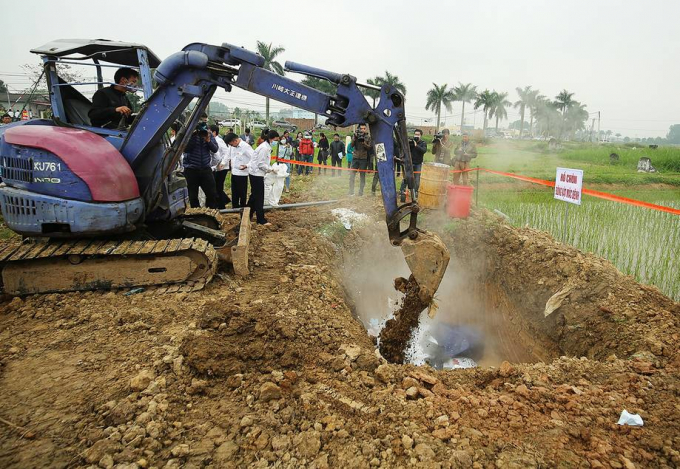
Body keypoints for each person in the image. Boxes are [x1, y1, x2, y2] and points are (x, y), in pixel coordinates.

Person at [183, 114, 219, 208]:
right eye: (201, 122)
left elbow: (215, 149)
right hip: (191, 169)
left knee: (212, 193)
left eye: (205, 122)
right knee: (193, 195)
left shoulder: (208, 133)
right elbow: (186, 149)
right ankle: (196, 214)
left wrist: (208, 140)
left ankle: (211, 213)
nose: (204, 124)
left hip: (206, 168)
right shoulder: (188, 133)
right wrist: (193, 135)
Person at [248, 130, 280, 225]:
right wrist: (271, 169)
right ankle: (260, 220)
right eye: (276, 140)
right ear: (271, 138)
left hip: (256, 173)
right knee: (259, 198)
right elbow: (261, 163)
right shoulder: (264, 148)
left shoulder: (266, 147)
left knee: (254, 196)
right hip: (256, 174)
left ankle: (246, 214)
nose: (276, 142)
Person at [224, 132, 254, 208]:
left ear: (235, 141)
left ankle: (243, 207)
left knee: (242, 192)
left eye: (231, 144)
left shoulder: (245, 146)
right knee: (234, 191)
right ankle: (235, 206)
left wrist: (247, 165)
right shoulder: (232, 147)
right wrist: (223, 163)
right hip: (234, 172)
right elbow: (228, 154)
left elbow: (254, 158)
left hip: (242, 173)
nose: (231, 146)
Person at [400, 129, 427, 201]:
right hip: (410, 163)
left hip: (418, 164)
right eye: (415, 134)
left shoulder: (423, 143)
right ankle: (402, 191)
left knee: (417, 179)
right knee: (406, 177)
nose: (416, 136)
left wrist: (416, 145)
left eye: (418, 134)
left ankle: (415, 192)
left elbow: (423, 151)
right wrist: (409, 143)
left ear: (421, 135)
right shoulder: (411, 142)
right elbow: (405, 148)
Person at [210, 124, 231, 209]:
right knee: (216, 186)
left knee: (218, 186)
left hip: (222, 167)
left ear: (214, 132)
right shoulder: (213, 140)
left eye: (209, 131)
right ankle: (224, 201)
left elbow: (226, 153)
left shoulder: (219, 141)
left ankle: (222, 205)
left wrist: (222, 163)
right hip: (217, 167)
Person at [348, 123, 372, 196]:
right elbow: (351, 145)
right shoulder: (355, 135)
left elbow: (369, 148)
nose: (363, 130)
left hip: (363, 159)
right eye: (361, 128)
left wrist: (363, 143)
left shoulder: (368, 137)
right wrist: (354, 138)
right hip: (355, 158)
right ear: (358, 129)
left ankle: (360, 192)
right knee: (352, 176)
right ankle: (351, 192)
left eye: (364, 128)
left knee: (362, 176)